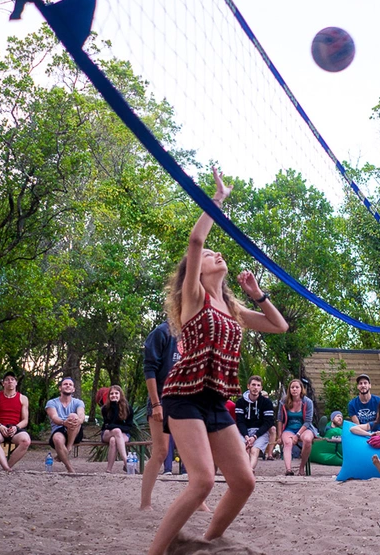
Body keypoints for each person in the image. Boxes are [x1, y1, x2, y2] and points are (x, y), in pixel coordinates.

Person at [148, 168, 288, 555]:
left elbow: (279, 326)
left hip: (214, 400)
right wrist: (218, 199)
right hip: (183, 396)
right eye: (211, 256)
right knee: (203, 481)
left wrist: (257, 294)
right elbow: (196, 240)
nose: (215, 255)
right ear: (197, 270)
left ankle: (206, 544)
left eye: (216, 254)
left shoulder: (233, 307)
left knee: (244, 482)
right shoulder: (195, 298)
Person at [141, 322, 184, 508]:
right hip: (162, 398)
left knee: (193, 454)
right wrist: (156, 403)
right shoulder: (161, 332)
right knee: (160, 451)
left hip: (186, 400)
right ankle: (145, 502)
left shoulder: (195, 332)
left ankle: (199, 502)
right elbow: (149, 368)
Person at [0, 371, 32, 472]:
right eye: (7, 380)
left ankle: (7, 466)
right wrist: (0, 426)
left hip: (15, 428)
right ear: (3, 383)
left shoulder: (23, 398)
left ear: (16, 383)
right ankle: (6, 468)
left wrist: (16, 427)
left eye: (12, 379)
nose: (10, 381)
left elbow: (25, 420)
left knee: (26, 441)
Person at [277, 378, 318, 476]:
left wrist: (298, 435)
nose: (294, 389)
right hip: (289, 428)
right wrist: (279, 436)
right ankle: (288, 470)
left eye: (297, 387)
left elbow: (308, 421)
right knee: (287, 443)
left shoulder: (307, 402)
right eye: (292, 387)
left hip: (305, 428)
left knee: (307, 439)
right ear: (289, 389)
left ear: (301, 389)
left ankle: (301, 467)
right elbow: (280, 419)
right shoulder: (284, 401)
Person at [235, 375, 275, 472]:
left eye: (258, 385)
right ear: (248, 386)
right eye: (253, 385)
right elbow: (240, 421)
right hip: (244, 432)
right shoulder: (240, 402)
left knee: (254, 450)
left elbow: (268, 423)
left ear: (261, 388)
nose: (255, 387)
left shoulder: (267, 403)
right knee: (243, 449)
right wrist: (246, 436)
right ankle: (246, 470)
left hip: (260, 432)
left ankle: (249, 470)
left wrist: (255, 437)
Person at [46, 377, 86, 474]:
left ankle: (69, 447)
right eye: (65, 384)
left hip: (75, 432)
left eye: (70, 384)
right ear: (60, 388)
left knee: (73, 416)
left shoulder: (78, 402)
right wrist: (64, 423)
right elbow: (54, 417)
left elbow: (81, 416)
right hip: (59, 428)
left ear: (73, 389)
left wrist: (77, 420)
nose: (68, 386)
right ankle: (70, 469)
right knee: (57, 439)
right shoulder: (51, 403)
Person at [100, 385, 135, 473]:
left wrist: (115, 427)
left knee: (113, 440)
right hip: (107, 433)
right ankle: (126, 463)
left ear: (120, 395)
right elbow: (108, 425)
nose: (114, 395)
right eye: (111, 394)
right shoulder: (105, 409)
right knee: (117, 431)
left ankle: (108, 469)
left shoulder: (128, 408)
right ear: (109, 396)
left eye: (116, 393)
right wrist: (114, 406)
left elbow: (129, 426)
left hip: (124, 434)